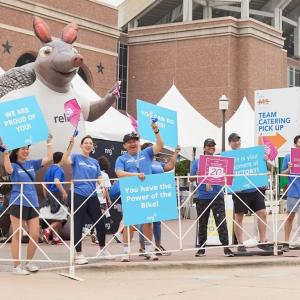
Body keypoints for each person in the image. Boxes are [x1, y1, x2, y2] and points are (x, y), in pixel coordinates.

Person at [2, 136, 53, 275]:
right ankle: (16, 266)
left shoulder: (32, 164)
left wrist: (49, 142)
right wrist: (5, 153)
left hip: (33, 202)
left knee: (35, 234)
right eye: (23, 149)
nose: (25, 151)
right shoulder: (13, 164)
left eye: (27, 149)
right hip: (18, 201)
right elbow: (8, 169)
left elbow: (49, 158)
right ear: (17, 151)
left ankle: (29, 263)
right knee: (17, 234)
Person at [115, 122, 164, 262]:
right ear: (124, 145)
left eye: (135, 141)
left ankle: (148, 250)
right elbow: (119, 173)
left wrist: (156, 131)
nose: (132, 143)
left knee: (148, 222)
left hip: (146, 192)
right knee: (129, 223)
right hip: (131, 193)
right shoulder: (121, 158)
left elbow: (160, 144)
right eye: (129, 142)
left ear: (139, 142)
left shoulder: (146, 153)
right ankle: (126, 252)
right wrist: (136, 176)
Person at [63, 135, 113, 265]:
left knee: (100, 222)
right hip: (77, 194)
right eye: (86, 142)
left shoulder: (94, 162)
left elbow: (99, 177)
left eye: (91, 143)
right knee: (78, 224)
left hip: (92, 196)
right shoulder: (75, 157)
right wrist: (69, 146)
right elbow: (65, 161)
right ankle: (78, 254)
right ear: (81, 145)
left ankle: (102, 249)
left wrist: (102, 186)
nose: (88, 145)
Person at [190, 138, 233, 257]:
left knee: (221, 222)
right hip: (202, 196)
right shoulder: (197, 162)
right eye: (208, 146)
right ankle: (201, 249)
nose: (211, 147)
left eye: (213, 146)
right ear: (204, 148)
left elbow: (228, 175)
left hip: (217, 195)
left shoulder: (220, 160)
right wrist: (198, 174)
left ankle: (226, 247)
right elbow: (190, 178)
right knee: (202, 223)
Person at [228, 133, 269, 252]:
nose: (237, 142)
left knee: (262, 213)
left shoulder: (249, 153)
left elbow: (260, 163)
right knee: (239, 216)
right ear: (229, 143)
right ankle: (240, 244)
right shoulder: (227, 156)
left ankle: (263, 240)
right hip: (239, 191)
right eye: (234, 141)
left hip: (253, 188)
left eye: (238, 140)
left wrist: (264, 159)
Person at [139, 143, 181, 256]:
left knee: (157, 222)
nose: (154, 150)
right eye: (151, 149)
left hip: (158, 194)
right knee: (145, 221)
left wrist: (176, 153)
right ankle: (143, 247)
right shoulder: (141, 162)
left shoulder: (158, 163)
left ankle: (157, 246)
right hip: (146, 194)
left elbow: (170, 166)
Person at [42, 151, 68, 245]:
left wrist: (46, 195)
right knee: (63, 214)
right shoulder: (59, 169)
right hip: (57, 194)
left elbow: (44, 184)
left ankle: (56, 238)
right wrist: (64, 192)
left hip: (50, 194)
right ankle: (48, 230)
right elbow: (57, 181)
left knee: (56, 216)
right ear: (62, 159)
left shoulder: (49, 169)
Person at [282, 135, 300, 243]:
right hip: (293, 192)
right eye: (299, 143)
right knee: (290, 217)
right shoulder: (288, 157)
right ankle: (286, 242)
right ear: (295, 144)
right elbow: (282, 174)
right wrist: (289, 169)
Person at [91, 156, 112, 244]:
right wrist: (109, 199)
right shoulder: (105, 175)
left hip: (93, 198)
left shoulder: (94, 172)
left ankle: (94, 232)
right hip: (102, 199)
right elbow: (106, 189)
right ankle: (96, 233)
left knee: (96, 217)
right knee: (100, 218)